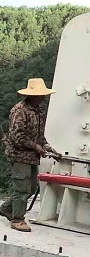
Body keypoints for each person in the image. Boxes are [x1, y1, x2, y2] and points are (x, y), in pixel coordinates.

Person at [0, 78, 59, 232]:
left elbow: (39, 135)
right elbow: (17, 136)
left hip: (32, 157)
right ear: (32, 95)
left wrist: (48, 148)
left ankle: (6, 208)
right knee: (22, 188)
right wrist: (35, 146)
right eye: (40, 94)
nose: (43, 97)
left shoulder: (39, 111)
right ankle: (17, 219)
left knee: (31, 187)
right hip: (19, 155)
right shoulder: (20, 110)